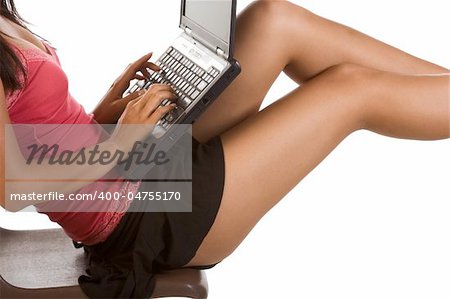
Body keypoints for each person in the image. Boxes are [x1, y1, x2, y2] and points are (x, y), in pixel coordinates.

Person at [1, 0, 448, 297]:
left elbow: (35, 129)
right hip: (138, 217)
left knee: (273, 18)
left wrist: (104, 116)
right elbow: (12, 189)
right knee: (350, 90)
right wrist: (121, 142)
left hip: (133, 164)